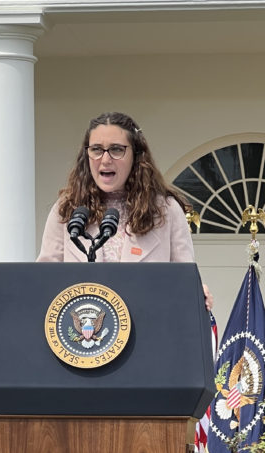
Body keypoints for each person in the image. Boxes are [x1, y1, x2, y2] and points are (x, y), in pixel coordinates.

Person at [37, 111, 213, 309]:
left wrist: (197, 292)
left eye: (116, 149)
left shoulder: (166, 210)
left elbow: (184, 276)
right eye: (96, 149)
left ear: (136, 155)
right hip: (84, 330)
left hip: (148, 328)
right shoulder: (66, 210)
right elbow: (44, 281)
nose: (105, 160)